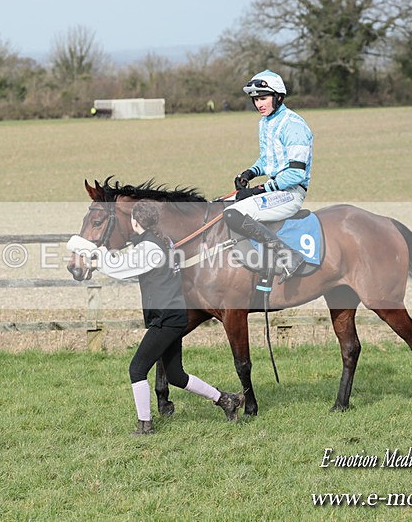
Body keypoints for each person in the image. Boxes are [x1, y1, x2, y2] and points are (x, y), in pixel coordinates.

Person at [67, 200, 244, 435]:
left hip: (166, 320)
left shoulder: (150, 247)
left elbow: (123, 267)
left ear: (135, 221)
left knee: (137, 369)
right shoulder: (159, 242)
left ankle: (145, 425)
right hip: (173, 316)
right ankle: (226, 400)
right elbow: (128, 264)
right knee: (176, 376)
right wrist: (96, 261)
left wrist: (94, 259)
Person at [224, 69, 314, 291]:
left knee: (234, 213)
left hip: (290, 193)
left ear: (278, 97)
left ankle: (290, 257)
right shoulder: (265, 122)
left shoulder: (294, 125)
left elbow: (296, 174)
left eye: (263, 98)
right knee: (222, 205)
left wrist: (259, 190)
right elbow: (268, 159)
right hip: (275, 190)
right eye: (255, 99)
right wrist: (250, 173)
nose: (259, 104)